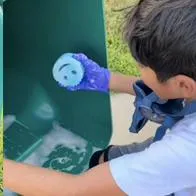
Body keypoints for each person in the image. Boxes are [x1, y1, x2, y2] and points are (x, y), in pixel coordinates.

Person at [4, 0, 196, 195]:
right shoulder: (189, 88)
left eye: (142, 66)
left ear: (184, 85)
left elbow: (75, 190)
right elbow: (167, 92)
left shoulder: (184, 151)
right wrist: (104, 79)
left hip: (178, 177)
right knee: (101, 160)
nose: (139, 68)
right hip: (176, 158)